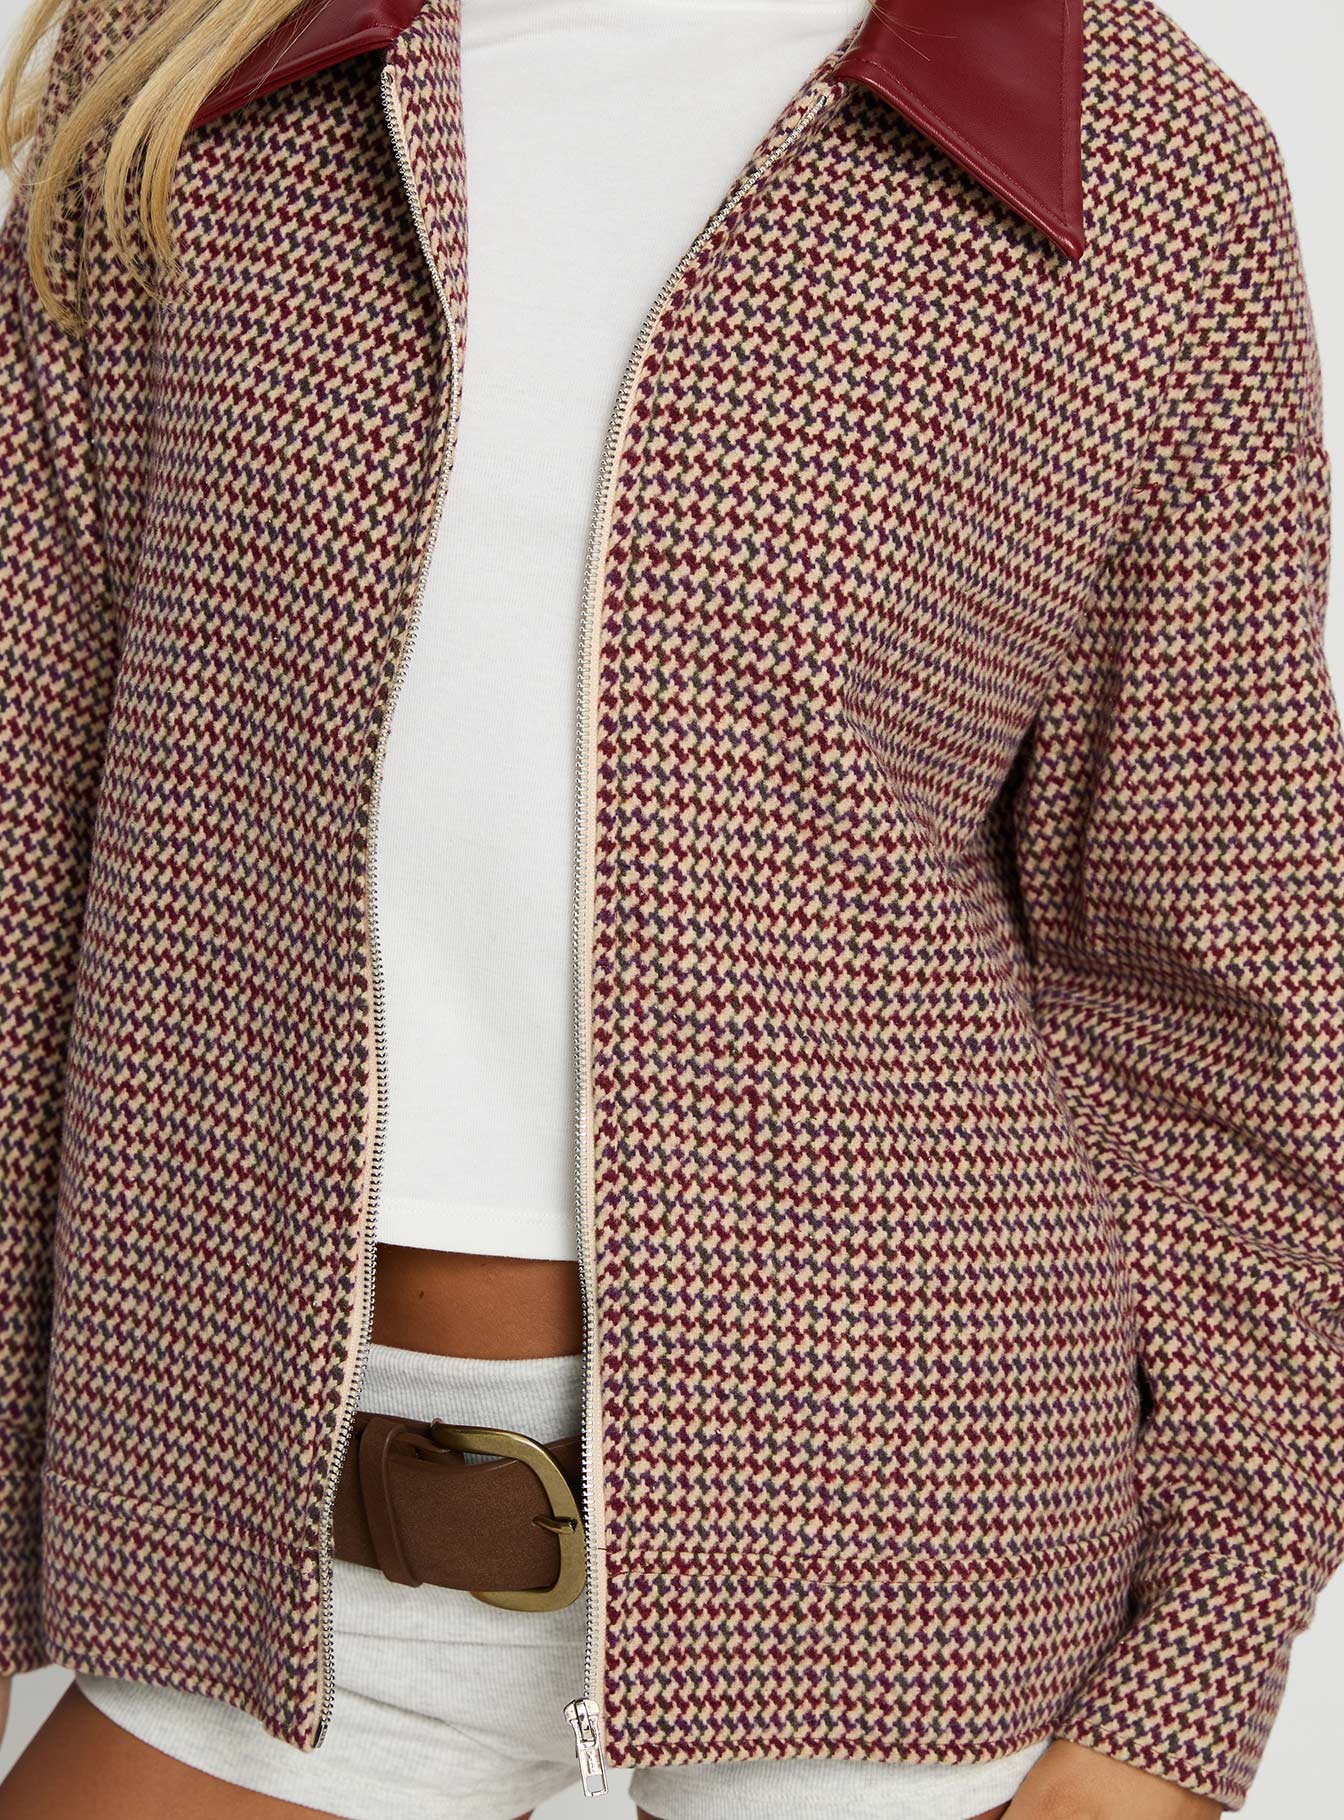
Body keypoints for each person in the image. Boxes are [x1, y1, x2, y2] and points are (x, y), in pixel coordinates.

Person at [0, 0, 1340, 1814]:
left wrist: (1184, 1692)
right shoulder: (192, 72)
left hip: (904, 1534)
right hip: (255, 1519)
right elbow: (24, 867)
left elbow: (1228, 1010)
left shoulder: (1139, 152)